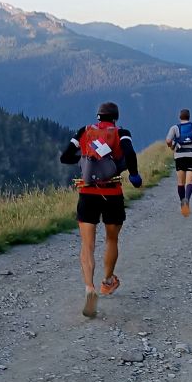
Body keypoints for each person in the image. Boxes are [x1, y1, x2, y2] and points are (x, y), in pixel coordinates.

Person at [60, 101, 142, 318]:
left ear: (98, 117)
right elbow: (130, 153)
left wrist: (87, 161)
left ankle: (89, 288)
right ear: (115, 117)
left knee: (87, 245)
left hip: (87, 193)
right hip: (112, 193)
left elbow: (65, 157)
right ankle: (107, 281)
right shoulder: (121, 133)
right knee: (111, 240)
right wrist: (133, 174)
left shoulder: (84, 132)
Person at [165, 109, 192, 217]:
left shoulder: (175, 128)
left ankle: (183, 203)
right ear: (189, 117)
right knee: (190, 181)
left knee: (180, 182)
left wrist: (172, 146)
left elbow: (168, 141)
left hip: (179, 156)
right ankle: (187, 199)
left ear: (180, 117)